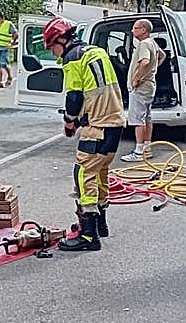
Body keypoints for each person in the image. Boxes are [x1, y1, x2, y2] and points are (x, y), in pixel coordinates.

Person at [42, 16, 125, 252]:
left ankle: (88, 236)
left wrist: (70, 121)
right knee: (101, 172)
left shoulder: (73, 58)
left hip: (98, 126)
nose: (54, 53)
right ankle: (100, 224)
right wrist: (82, 119)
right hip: (115, 122)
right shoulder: (95, 52)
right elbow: (99, 94)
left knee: (84, 172)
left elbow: (75, 96)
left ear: (60, 39)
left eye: (52, 47)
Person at [121, 19, 166, 162]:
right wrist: (154, 70)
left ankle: (139, 151)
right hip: (150, 86)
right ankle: (147, 148)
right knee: (147, 118)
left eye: (135, 28)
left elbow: (145, 62)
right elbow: (162, 55)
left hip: (141, 88)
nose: (132, 31)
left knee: (137, 119)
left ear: (144, 30)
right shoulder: (152, 43)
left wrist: (137, 78)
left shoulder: (143, 44)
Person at [0, 10, 18, 88]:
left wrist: (12, 42)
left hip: (4, 47)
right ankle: (0, 82)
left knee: (4, 63)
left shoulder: (8, 24)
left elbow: (15, 33)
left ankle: (10, 76)